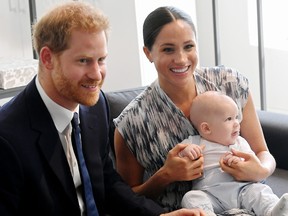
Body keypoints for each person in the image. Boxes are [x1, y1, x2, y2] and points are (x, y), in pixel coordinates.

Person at [0, 2, 206, 216]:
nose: (97, 75)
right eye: (83, 61)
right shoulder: (7, 138)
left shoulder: (95, 107)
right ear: (47, 58)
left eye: (101, 60)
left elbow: (108, 185)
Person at [113, 5, 276, 212]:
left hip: (251, 204)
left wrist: (260, 170)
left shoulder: (230, 84)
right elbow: (125, 200)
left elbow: (263, 152)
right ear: (148, 53)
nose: (181, 59)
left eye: (188, 46)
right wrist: (165, 175)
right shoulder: (132, 123)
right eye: (168, 49)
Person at [178, 91, 288, 216]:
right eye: (229, 119)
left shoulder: (240, 143)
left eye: (236, 117)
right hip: (210, 194)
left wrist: (240, 163)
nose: (237, 123)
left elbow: (251, 162)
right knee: (191, 197)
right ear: (206, 128)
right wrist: (187, 151)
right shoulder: (195, 142)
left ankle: (273, 212)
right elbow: (178, 154)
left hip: (242, 190)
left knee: (259, 191)